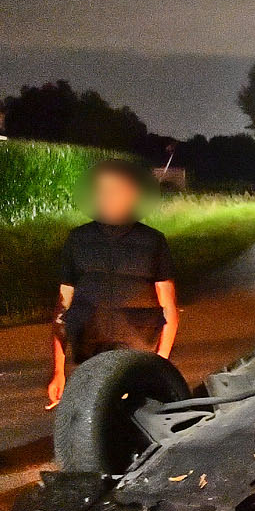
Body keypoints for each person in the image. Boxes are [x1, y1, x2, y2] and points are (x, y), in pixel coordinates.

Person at [46, 160, 178, 407]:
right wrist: (58, 371)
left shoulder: (153, 241)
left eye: (117, 190)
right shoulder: (78, 239)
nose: (109, 197)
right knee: (94, 416)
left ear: (132, 195)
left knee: (136, 416)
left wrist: (161, 362)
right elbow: (62, 307)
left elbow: (168, 306)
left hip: (138, 355)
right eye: (103, 190)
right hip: (90, 357)